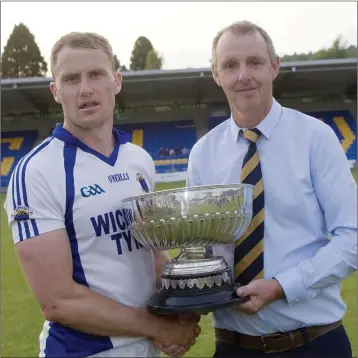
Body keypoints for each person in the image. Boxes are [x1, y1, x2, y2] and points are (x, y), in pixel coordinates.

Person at [4, 32, 200, 358]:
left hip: (145, 349)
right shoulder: (36, 171)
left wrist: (181, 304)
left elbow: (150, 256)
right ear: (55, 91)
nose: (85, 88)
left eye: (96, 74)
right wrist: (158, 328)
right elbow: (58, 300)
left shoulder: (139, 161)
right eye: (71, 79)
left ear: (116, 81)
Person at [186, 20, 357, 358]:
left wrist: (282, 287)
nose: (243, 75)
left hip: (315, 344)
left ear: (274, 66)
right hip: (233, 347)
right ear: (216, 75)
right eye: (230, 65)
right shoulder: (202, 154)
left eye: (255, 62)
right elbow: (199, 249)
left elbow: (352, 237)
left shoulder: (315, 139)